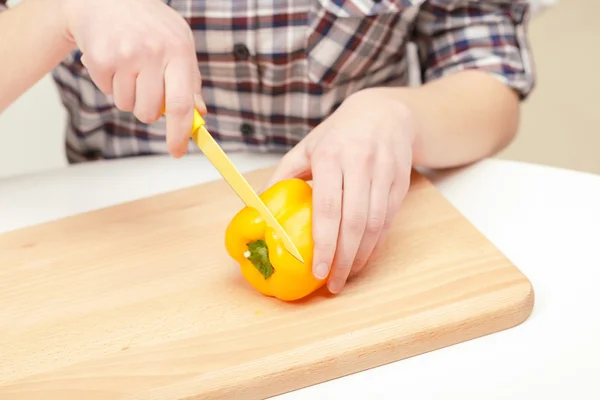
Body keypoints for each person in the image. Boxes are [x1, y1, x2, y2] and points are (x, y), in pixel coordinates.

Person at [0, 0, 536, 295]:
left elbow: (488, 78)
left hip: (366, 218)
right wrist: (57, 13)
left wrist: (399, 114)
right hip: (109, 244)